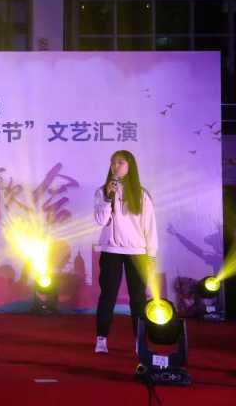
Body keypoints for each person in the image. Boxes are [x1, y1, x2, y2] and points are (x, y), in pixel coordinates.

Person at [93, 150, 158, 354]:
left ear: (130, 166)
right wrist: (107, 197)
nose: (116, 166)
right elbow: (100, 221)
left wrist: (151, 255)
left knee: (138, 298)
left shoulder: (141, 194)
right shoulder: (102, 191)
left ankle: (140, 341)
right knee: (108, 295)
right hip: (111, 249)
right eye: (113, 163)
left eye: (120, 162)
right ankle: (101, 339)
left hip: (137, 251)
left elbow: (150, 227)